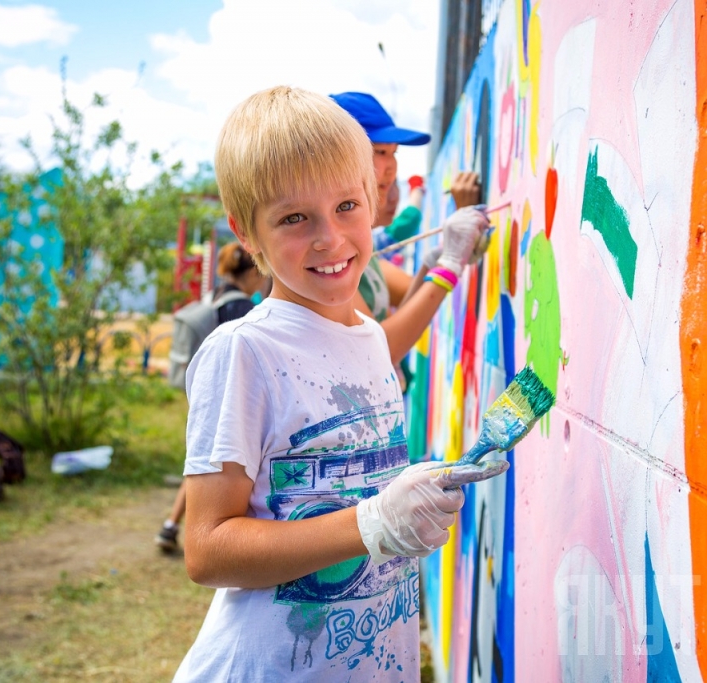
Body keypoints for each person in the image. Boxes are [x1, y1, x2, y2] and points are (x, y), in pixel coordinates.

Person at [173, 86, 507, 680]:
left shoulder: (372, 338)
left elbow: (357, 492)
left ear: (374, 203)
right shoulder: (245, 351)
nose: (330, 238)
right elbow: (206, 548)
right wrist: (373, 522)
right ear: (245, 231)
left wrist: (411, 495)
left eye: (347, 206)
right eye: (295, 218)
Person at [329, 91, 485, 363]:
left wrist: (434, 261)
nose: (391, 167)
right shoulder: (330, 256)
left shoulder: (360, 252)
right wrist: (448, 264)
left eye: (394, 153)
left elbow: (406, 307)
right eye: (380, 151)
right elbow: (379, 352)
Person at [155, 242, 268, 552]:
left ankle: (170, 525)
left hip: (203, 389)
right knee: (210, 467)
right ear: (252, 272)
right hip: (225, 397)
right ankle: (193, 529)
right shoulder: (242, 307)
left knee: (202, 463)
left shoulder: (215, 296)